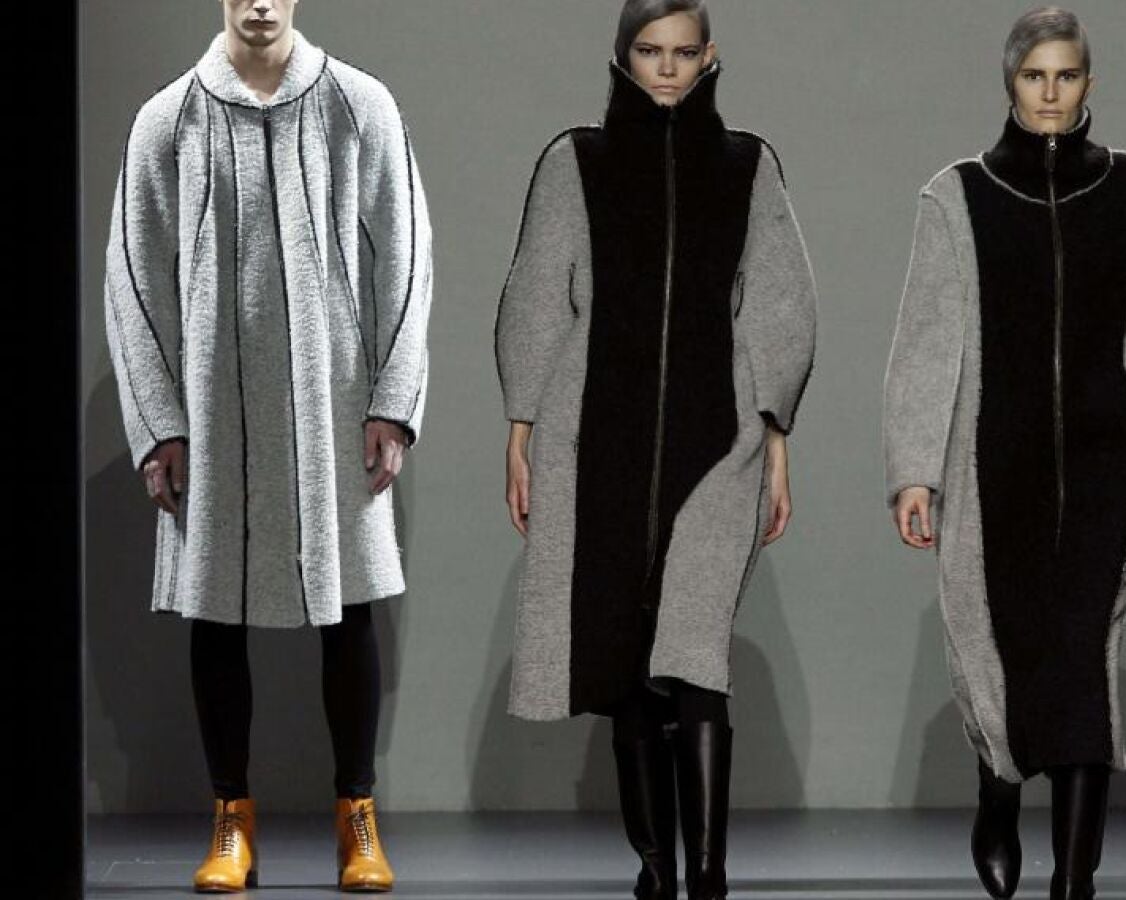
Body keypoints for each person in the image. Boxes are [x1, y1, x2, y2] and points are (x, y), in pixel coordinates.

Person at [104, 0, 432, 892]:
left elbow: (407, 256)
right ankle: (230, 819)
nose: (259, 3)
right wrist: (159, 422)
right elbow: (132, 276)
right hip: (214, 408)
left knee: (348, 607)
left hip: (334, 404)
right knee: (215, 610)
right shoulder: (167, 119)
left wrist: (393, 402)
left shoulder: (359, 104)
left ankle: (356, 817)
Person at [493, 2, 817, 897]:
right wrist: (520, 427)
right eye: (649, 52)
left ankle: (707, 873)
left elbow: (780, 306)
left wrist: (776, 433)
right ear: (623, 56)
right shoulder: (577, 161)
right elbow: (537, 295)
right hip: (591, 441)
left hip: (718, 445)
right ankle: (656, 867)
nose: (666, 69)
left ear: (709, 56)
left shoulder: (747, 164)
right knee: (626, 659)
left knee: (695, 653)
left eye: (682, 52)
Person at [882, 8, 1126, 898]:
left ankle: (1074, 881)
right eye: (1033, 76)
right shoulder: (956, 196)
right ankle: (997, 790)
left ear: (1089, 81)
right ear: (1010, 82)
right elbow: (925, 345)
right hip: (990, 463)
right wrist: (914, 470)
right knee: (1000, 646)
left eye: (1066, 75)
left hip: (1104, 460)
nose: (1050, 93)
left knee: (1085, 659)